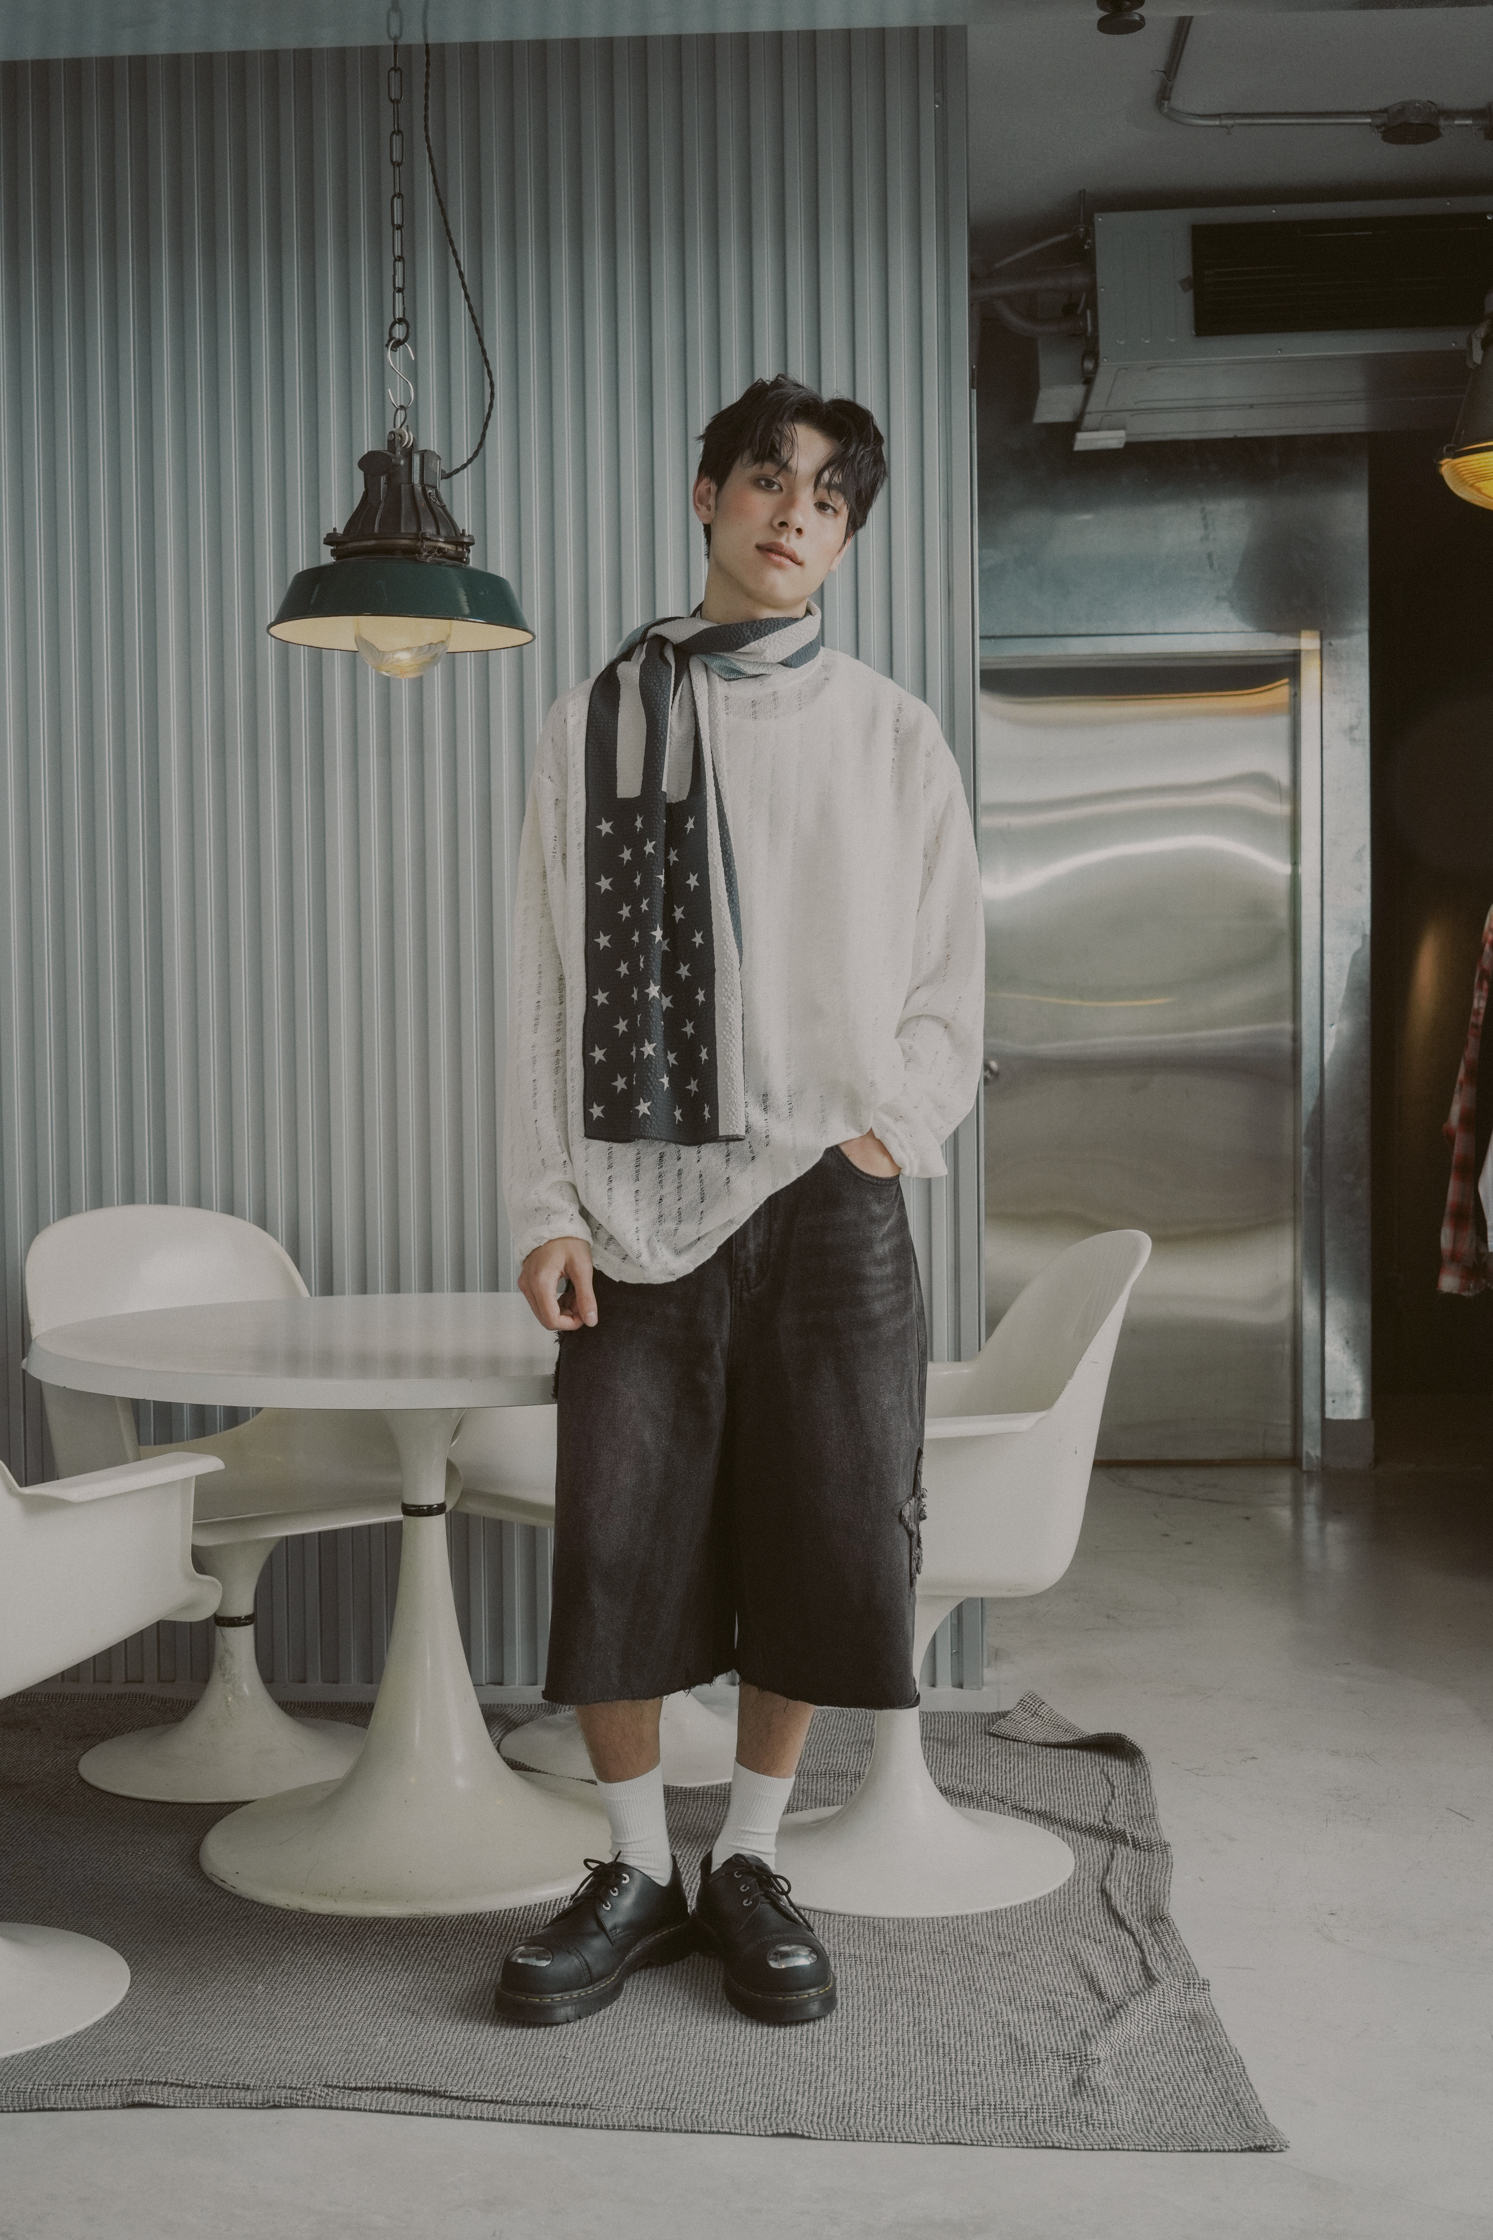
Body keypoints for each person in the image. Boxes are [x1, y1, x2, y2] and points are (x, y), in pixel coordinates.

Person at [497, 373, 983, 2029]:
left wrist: (880, 1139)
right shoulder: (593, 720)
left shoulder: (890, 733)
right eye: (769, 479)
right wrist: (545, 1205)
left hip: (832, 1196)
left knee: (826, 1533)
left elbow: (948, 986)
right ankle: (637, 1869)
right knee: (619, 1541)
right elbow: (543, 984)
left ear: (844, 539)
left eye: (829, 498)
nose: (796, 513)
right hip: (638, 1199)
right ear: (706, 495)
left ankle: (750, 1860)